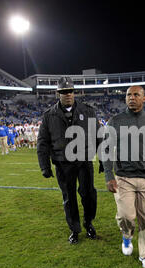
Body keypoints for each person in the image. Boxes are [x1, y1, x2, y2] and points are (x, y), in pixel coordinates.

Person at [103, 85, 145, 268]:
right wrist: (109, 176)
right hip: (123, 177)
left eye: (136, 94)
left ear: (144, 98)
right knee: (126, 216)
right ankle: (126, 236)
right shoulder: (115, 121)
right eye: (128, 95)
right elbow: (107, 150)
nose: (131, 98)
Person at [37, 77, 102, 245]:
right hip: (62, 162)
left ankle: (89, 223)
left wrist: (103, 159)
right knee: (69, 198)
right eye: (64, 92)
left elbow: (99, 136)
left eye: (70, 91)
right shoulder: (49, 115)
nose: (68, 94)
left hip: (84, 160)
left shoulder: (88, 111)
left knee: (88, 194)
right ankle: (74, 229)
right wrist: (44, 166)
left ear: (75, 92)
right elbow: (43, 142)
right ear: (58, 93)